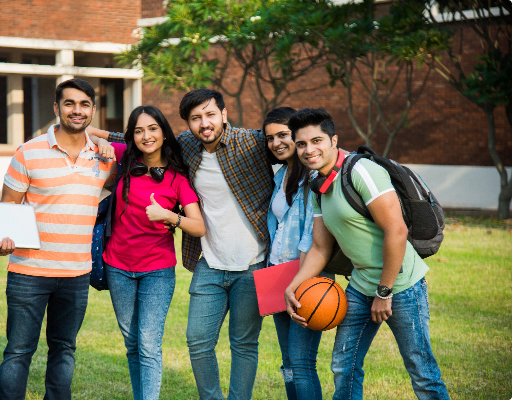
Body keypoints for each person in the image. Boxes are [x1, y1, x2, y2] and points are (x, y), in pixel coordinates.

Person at [89, 88, 275, 400]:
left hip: (254, 263)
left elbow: (287, 142)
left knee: (244, 343)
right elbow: (135, 135)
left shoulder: (251, 142)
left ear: (224, 115)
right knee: (198, 341)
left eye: (210, 114)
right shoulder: (186, 145)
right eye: (195, 118)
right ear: (186, 124)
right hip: (209, 263)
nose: (204, 123)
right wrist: (99, 136)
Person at [284, 108, 450, 400]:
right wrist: (294, 285)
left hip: (401, 285)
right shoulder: (317, 185)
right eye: (301, 144)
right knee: (344, 366)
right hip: (361, 286)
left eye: (317, 140)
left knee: (421, 370)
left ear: (333, 140)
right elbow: (321, 247)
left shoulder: (361, 171)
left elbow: (396, 231)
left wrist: (384, 292)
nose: (309, 150)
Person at [0, 78, 118, 399]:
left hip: (77, 274)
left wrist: (104, 141)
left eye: (84, 104)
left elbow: (144, 142)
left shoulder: (104, 157)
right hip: (28, 273)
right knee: (19, 351)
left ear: (93, 109)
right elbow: (7, 207)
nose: (77, 110)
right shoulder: (28, 152)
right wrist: (1, 238)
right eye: (69, 103)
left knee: (64, 350)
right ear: (56, 108)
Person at [102, 105, 205, 400]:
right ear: (131, 137)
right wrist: (102, 144)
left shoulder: (177, 179)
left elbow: (198, 227)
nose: (146, 136)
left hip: (156, 271)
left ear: (163, 132)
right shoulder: (124, 160)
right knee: (132, 343)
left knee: (148, 343)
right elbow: (89, 134)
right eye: (138, 131)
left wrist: (168, 216)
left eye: (152, 128)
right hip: (117, 266)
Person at [264, 107, 331, 400]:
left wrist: (298, 284)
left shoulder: (315, 178)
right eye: (270, 138)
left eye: (283, 135)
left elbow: (313, 238)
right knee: (289, 363)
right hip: (276, 275)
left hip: (306, 277)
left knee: (302, 363)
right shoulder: (281, 177)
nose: (276, 142)